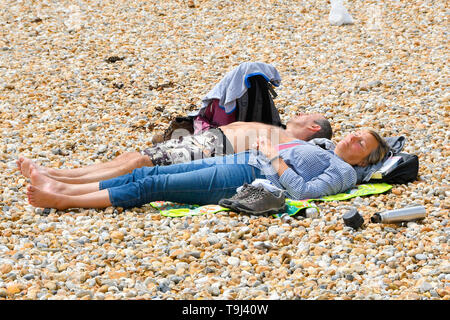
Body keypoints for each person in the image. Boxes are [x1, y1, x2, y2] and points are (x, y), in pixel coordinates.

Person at [24, 129, 389, 211]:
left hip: (249, 177)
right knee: (145, 175)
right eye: (357, 132)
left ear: (364, 161)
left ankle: (63, 199)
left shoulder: (345, 173)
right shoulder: (324, 147)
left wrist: (274, 157)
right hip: (244, 161)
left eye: (363, 143)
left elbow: (304, 193)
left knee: (155, 187)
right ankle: (67, 188)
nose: (354, 137)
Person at [17, 113, 332, 184]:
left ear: (314, 128)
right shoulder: (276, 127)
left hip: (214, 150)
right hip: (208, 141)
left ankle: (61, 183)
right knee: (132, 157)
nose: (299, 115)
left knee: (140, 163)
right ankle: (57, 173)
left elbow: (327, 154)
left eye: (307, 116)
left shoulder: (297, 143)